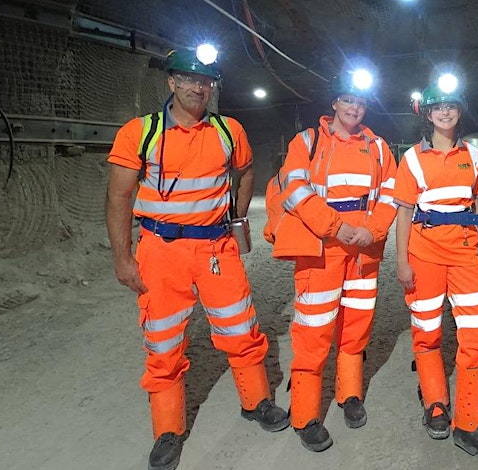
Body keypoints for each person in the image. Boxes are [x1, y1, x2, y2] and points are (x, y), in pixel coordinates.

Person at [105, 46, 289, 470]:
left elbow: (245, 170)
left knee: (242, 327)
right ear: (171, 82)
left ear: (212, 87)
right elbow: (117, 196)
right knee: (164, 341)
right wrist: (122, 258)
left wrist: (238, 218)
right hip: (160, 251)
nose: (196, 87)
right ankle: (168, 428)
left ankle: (256, 401)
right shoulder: (140, 132)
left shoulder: (228, 131)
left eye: (204, 81)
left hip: (216, 248)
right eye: (187, 79)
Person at [262, 68, 397, 452]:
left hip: (364, 248)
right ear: (334, 102)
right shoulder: (307, 141)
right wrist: (335, 227)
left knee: (356, 326)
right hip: (322, 247)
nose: (355, 107)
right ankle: (305, 415)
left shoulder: (379, 147)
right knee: (314, 331)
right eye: (348, 99)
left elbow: (391, 193)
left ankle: (349, 394)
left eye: (361, 101)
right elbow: (296, 189)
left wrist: (372, 229)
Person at [393, 75, 478, 460]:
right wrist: (402, 260)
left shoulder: (473, 156)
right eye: (437, 106)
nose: (445, 112)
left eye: (451, 105)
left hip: (464, 254)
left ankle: (470, 423)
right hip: (424, 254)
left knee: (477, 337)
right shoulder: (411, 158)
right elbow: (404, 213)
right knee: (427, 332)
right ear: (427, 113)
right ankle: (436, 404)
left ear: (459, 111)